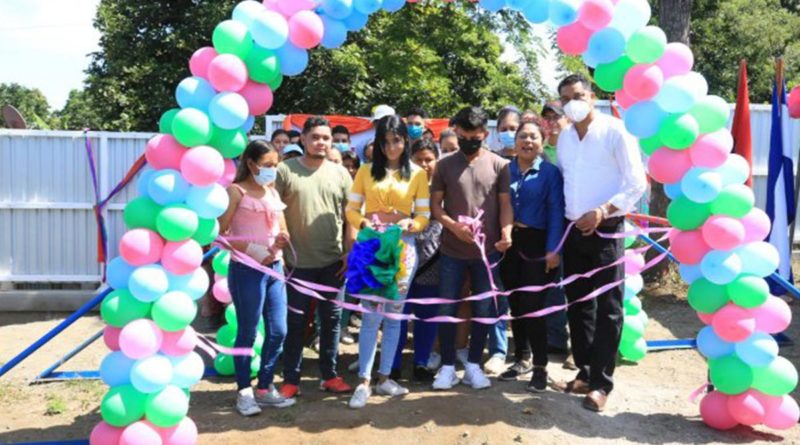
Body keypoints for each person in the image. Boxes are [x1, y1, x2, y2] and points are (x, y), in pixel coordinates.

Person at [554, 74, 647, 411]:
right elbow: (566, 179)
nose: (572, 103)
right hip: (573, 230)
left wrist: (603, 210)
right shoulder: (564, 137)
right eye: (565, 99)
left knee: (608, 306)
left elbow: (637, 182)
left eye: (577, 95)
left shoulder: (615, 131)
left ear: (592, 97)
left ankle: (601, 384)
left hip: (606, 228)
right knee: (577, 303)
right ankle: (584, 370)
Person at [345, 114, 430, 409]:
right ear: (378, 143)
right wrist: (364, 224)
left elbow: (423, 215)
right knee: (370, 316)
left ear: (405, 141)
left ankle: (385, 378)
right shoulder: (366, 171)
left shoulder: (417, 173)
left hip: (404, 249)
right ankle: (364, 381)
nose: (392, 147)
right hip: (372, 248)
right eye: (386, 141)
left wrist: (413, 226)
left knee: (395, 315)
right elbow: (352, 210)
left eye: (397, 140)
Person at [430, 106, 513, 391]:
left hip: (487, 253)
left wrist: (506, 231)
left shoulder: (500, 165)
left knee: (484, 307)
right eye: (464, 135)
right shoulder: (443, 165)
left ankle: (475, 364)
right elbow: (435, 207)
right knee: (447, 305)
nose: (469, 141)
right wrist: (454, 227)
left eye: (475, 136)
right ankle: (447, 366)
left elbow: (505, 206)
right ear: (456, 132)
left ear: (484, 134)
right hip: (452, 250)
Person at [276, 116, 354, 399]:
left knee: (331, 323)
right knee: (295, 323)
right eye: (315, 137)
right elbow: (274, 211)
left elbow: (351, 216)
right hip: (296, 264)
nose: (321, 142)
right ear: (304, 139)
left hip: (333, 264)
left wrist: (349, 252)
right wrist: (280, 252)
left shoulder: (341, 174)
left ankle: (330, 376)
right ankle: (291, 379)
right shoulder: (285, 170)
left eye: (326, 138)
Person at [218, 140, 295, 416]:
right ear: (251, 164)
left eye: (275, 165)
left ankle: (264, 387)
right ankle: (244, 391)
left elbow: (282, 227)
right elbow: (221, 233)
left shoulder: (272, 192)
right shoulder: (236, 192)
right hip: (246, 269)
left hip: (274, 268)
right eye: (267, 166)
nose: (272, 170)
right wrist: (252, 250)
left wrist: (282, 241)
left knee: (279, 330)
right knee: (248, 331)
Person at [497, 121, 565, 392]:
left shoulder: (550, 173)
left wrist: (553, 250)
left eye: (533, 137)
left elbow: (556, 212)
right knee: (515, 301)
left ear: (542, 141)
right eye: (522, 136)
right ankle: (521, 358)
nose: (527, 141)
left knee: (534, 305)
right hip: (509, 241)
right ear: (514, 141)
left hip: (538, 243)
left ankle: (540, 365)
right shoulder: (504, 170)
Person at [391, 138, 442, 382]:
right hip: (402, 263)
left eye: (429, 160)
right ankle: (393, 363)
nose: (424, 164)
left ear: (437, 161)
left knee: (427, 317)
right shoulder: (401, 189)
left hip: (434, 265)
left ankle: (421, 362)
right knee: (398, 316)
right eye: (418, 160)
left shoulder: (444, 191)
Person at [539, 101, 571, 356]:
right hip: (552, 224)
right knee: (554, 283)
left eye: (556, 117)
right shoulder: (542, 153)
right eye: (546, 118)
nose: (551, 122)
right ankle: (556, 339)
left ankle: (581, 345)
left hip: (581, 222)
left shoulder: (577, 146)